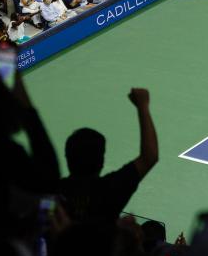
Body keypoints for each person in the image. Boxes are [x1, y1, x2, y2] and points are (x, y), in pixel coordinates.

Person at [58, 88, 159, 223]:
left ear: (67, 157)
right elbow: (149, 157)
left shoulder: (52, 192)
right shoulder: (108, 190)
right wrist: (143, 106)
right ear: (102, 161)